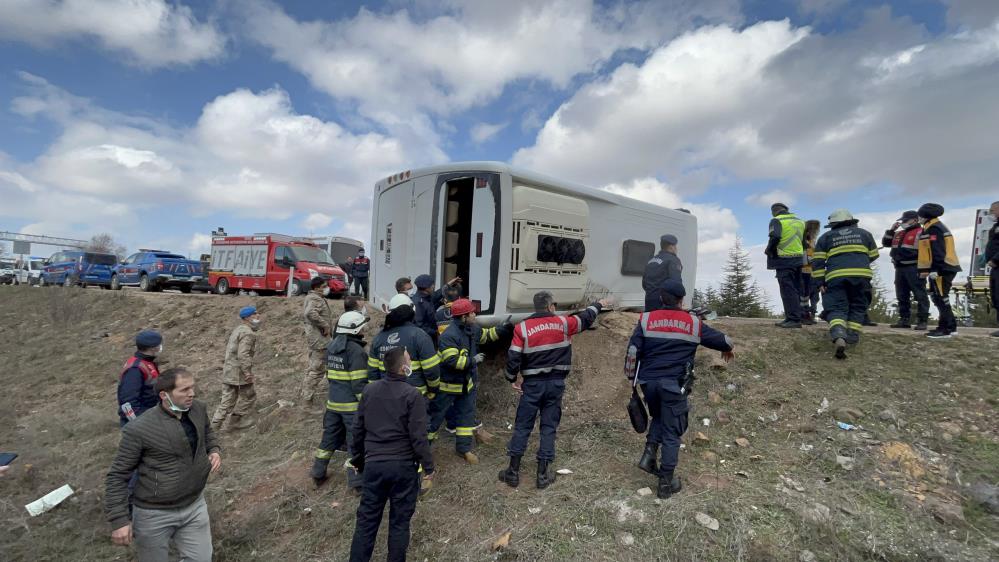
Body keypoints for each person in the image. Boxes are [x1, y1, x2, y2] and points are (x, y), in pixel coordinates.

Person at [623, 280, 734, 499]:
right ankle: (666, 483)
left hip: (649, 383)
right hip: (673, 385)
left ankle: (648, 455)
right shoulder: (693, 323)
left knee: (659, 417)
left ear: (661, 299)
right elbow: (723, 340)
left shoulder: (646, 319)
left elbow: (633, 351)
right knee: (672, 431)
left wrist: (631, 379)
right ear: (681, 300)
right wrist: (729, 348)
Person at [105, 368, 222, 562]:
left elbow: (207, 432)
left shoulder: (198, 409)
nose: (191, 393)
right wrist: (119, 520)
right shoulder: (139, 429)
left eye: (192, 387)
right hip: (154, 515)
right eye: (184, 390)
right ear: (164, 395)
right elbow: (118, 475)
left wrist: (214, 450)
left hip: (194, 506)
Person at [499, 292, 608, 489]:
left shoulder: (522, 327)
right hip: (556, 385)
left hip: (532, 386)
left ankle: (512, 472)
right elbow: (586, 318)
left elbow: (513, 357)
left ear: (536, 307)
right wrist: (598, 304)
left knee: (523, 426)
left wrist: (512, 378)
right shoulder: (564, 323)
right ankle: (542, 475)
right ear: (550, 306)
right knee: (548, 427)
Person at [349, 347, 434, 562]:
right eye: (409, 359)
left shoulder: (369, 391)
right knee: (399, 523)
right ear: (403, 367)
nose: (412, 361)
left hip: (374, 465)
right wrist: (429, 466)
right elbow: (418, 436)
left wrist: (357, 459)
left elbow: (357, 429)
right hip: (403, 468)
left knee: (366, 522)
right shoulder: (412, 395)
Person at [428, 299, 506, 465]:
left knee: (465, 418)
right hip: (448, 386)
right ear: (463, 317)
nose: (474, 314)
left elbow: (486, 336)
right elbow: (451, 361)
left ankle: (463, 449)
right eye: (471, 312)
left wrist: (502, 328)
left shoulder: (472, 328)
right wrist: (473, 360)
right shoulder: (449, 336)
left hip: (466, 385)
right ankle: (423, 449)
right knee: (435, 418)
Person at [311, 311, 370, 489]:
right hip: (351, 408)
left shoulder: (332, 346)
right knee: (356, 444)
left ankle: (317, 473)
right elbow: (358, 384)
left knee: (328, 440)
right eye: (362, 326)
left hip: (333, 404)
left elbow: (331, 377)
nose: (364, 329)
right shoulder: (356, 351)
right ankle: (357, 482)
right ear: (355, 329)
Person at [811, 209, 880, 359]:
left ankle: (838, 335)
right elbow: (874, 255)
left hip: (835, 277)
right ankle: (852, 337)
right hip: (862, 277)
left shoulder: (826, 237)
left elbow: (817, 262)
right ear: (851, 221)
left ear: (833, 224)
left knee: (836, 308)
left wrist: (819, 282)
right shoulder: (865, 234)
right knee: (858, 306)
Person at [368, 294, 441, 399]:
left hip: (386, 399)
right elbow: (432, 370)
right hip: (415, 398)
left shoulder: (379, 338)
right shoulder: (420, 336)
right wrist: (433, 390)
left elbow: (372, 374)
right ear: (412, 311)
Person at [210, 306, 260, 432]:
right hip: (239, 372)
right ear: (247, 318)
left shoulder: (238, 329)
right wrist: (247, 372)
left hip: (229, 371)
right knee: (249, 395)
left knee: (227, 401)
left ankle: (213, 428)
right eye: (254, 314)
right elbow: (243, 354)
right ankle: (235, 422)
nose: (258, 316)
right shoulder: (248, 333)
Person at [917, 203, 962, 339]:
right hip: (944, 267)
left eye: (920, 215)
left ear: (926, 216)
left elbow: (937, 250)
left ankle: (947, 329)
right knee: (939, 297)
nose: (919, 218)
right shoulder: (933, 226)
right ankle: (947, 326)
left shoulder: (934, 229)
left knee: (941, 297)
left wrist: (936, 268)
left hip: (942, 267)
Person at [882, 211, 929, 331]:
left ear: (915, 220)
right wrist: (891, 231)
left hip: (914, 267)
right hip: (899, 268)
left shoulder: (922, 232)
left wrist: (925, 269)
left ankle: (922, 321)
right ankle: (904, 320)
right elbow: (886, 243)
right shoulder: (899, 233)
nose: (903, 223)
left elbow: (927, 250)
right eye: (902, 221)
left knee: (920, 295)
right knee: (902, 295)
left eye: (905, 220)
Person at [766, 202, 806, 328]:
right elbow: (804, 240)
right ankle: (794, 317)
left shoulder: (776, 220)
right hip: (798, 260)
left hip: (784, 260)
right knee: (796, 289)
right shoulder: (800, 222)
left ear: (774, 211)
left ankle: (793, 319)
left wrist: (769, 250)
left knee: (787, 290)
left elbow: (775, 236)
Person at [117, 330, 163, 426]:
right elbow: (128, 403)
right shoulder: (135, 369)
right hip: (143, 421)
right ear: (153, 348)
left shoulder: (147, 362)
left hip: (154, 414)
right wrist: (140, 425)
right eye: (159, 344)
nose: (161, 346)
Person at [301, 277, 334, 408]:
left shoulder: (312, 297)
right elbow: (310, 313)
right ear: (316, 287)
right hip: (320, 341)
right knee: (317, 371)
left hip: (318, 339)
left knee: (317, 368)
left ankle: (307, 397)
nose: (327, 288)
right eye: (324, 286)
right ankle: (306, 403)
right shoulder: (315, 298)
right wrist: (325, 325)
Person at [642, 234, 682, 310]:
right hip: (664, 303)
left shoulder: (651, 261)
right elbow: (676, 283)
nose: (676, 248)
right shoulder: (673, 260)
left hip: (649, 301)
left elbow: (644, 284)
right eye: (675, 246)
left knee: (650, 321)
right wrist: (679, 301)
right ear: (671, 247)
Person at [801, 220, 822, 325]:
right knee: (805, 294)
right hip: (805, 270)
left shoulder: (813, 241)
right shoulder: (805, 241)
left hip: (812, 272)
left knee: (811, 295)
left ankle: (809, 314)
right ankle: (804, 314)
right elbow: (807, 256)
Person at [986, 201, 999, 337]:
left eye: (993, 210)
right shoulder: (996, 226)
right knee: (996, 296)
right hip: (995, 268)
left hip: (997, 264)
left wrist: (995, 259)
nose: (991, 213)